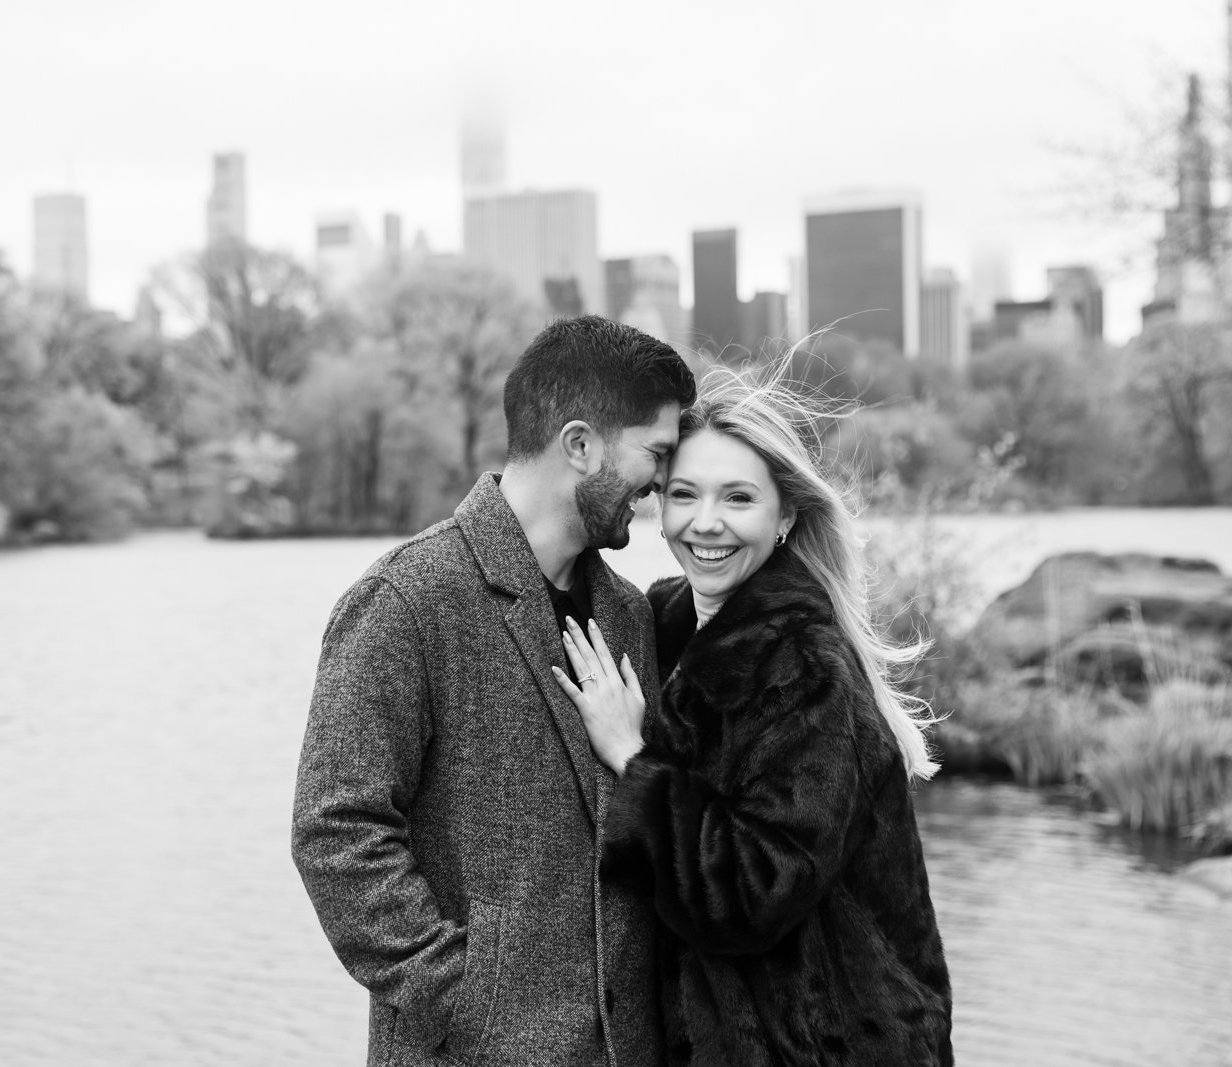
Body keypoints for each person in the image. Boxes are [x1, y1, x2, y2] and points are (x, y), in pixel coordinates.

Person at [292, 315, 696, 1066]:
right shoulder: (406, 598)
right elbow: (335, 832)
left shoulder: (629, 614)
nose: (663, 484)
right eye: (657, 453)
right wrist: (468, 1004)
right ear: (581, 444)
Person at [554, 364, 953, 1067]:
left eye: (738, 497)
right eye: (683, 494)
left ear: (785, 517)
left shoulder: (804, 664)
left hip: (836, 1040)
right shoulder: (667, 621)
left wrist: (631, 757)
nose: (705, 522)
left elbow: (752, 888)